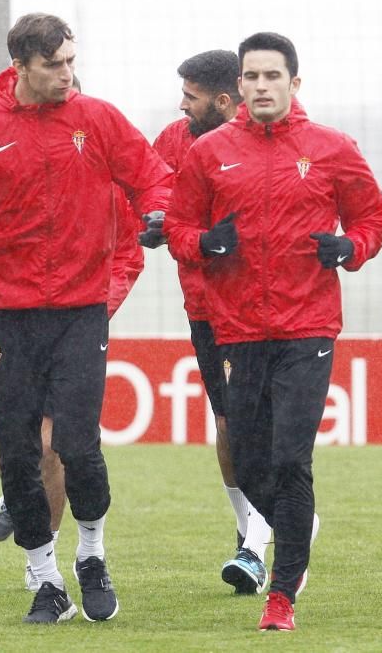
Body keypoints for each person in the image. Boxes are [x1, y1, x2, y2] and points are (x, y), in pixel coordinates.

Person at [0, 13, 172, 624]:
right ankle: (45, 581)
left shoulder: (98, 119)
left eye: (70, 61)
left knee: (79, 448)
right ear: (22, 65)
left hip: (81, 311)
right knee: (16, 456)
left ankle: (91, 555)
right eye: (54, 64)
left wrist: (161, 216)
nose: (68, 73)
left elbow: (154, 179)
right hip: (9, 316)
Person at [164, 32, 382, 631]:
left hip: (307, 327)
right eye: (252, 77)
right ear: (238, 86)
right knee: (249, 460)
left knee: (291, 460)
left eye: (273, 76)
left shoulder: (332, 148)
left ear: (294, 83)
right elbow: (181, 227)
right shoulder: (209, 152)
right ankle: (297, 527)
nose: (262, 86)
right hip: (235, 329)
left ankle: (282, 597)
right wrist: (203, 243)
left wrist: (351, 247)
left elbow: (374, 218)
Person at [0, 155, 144, 592]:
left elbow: (127, 253)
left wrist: (93, 311)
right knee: (20, 457)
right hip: (12, 328)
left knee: (56, 447)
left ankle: (46, 566)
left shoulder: (100, 176)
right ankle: (20, 506)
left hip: (76, 328)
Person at [147, 50, 275, 597]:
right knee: (228, 426)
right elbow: (148, 196)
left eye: (191, 96)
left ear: (224, 100)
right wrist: (154, 224)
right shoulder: (175, 140)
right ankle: (250, 533)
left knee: (262, 429)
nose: (181, 105)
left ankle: (259, 545)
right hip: (204, 310)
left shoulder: (276, 139)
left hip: (265, 312)